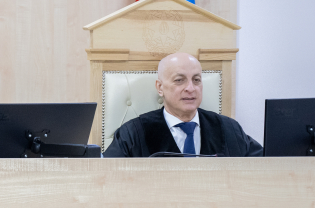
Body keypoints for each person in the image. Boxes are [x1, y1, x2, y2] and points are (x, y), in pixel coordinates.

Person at [104, 52, 262, 157]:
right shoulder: (133, 134)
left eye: (196, 80)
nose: (190, 88)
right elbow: (108, 177)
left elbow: (268, 165)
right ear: (160, 87)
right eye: (179, 80)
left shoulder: (229, 129)